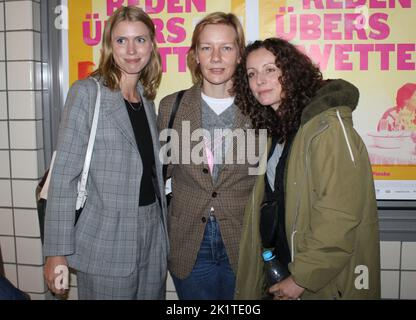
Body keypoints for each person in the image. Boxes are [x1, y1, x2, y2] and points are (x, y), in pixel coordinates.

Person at [233, 38, 381, 300]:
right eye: (252, 74)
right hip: (282, 267)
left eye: (270, 70)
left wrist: (301, 278)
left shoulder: (327, 128)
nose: (260, 81)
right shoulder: (278, 131)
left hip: (316, 281)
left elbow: (340, 215)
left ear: (290, 72)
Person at [43, 6, 168, 300]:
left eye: (140, 39)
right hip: (105, 241)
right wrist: (56, 253)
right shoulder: (87, 93)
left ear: (152, 45)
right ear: (109, 47)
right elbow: (64, 177)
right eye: (121, 40)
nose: (132, 50)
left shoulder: (147, 100)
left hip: (152, 236)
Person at [157, 12, 257, 300]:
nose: (216, 57)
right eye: (206, 48)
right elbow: (159, 175)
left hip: (243, 240)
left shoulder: (258, 109)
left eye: (226, 48)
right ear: (195, 56)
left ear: (239, 55)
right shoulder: (171, 107)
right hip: (189, 242)